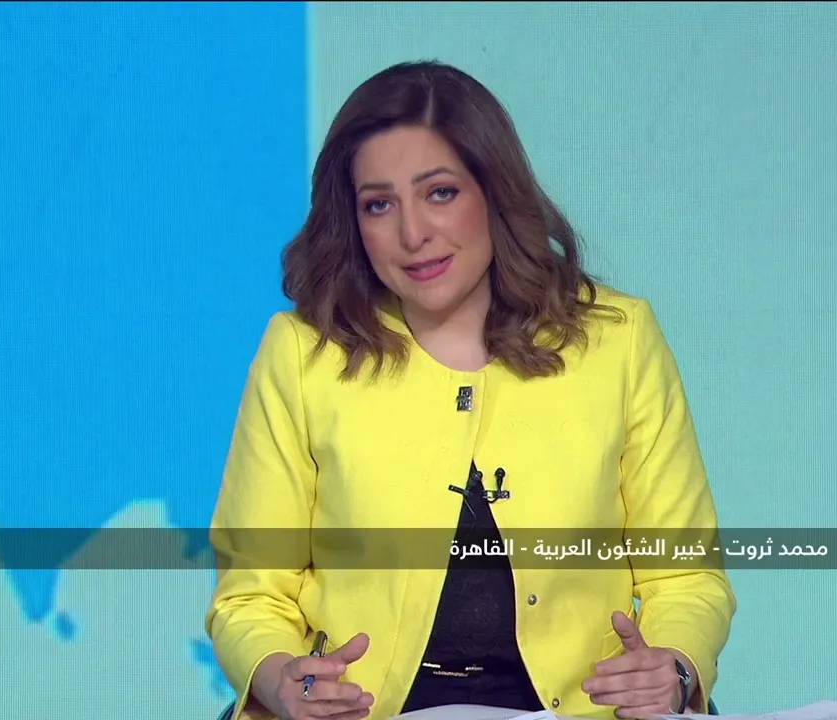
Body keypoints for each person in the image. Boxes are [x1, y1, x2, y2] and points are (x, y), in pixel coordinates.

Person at [205, 60, 736, 720]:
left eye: (440, 193)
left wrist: (675, 670)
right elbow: (250, 595)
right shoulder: (303, 354)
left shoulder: (617, 341)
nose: (413, 235)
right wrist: (284, 680)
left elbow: (686, 576)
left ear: (494, 191)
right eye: (379, 205)